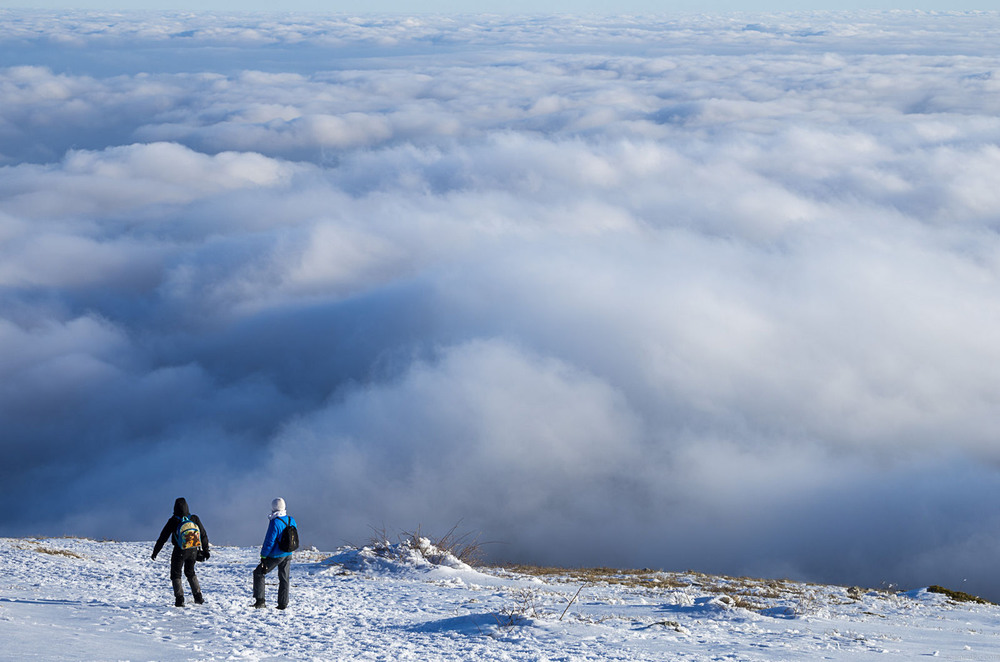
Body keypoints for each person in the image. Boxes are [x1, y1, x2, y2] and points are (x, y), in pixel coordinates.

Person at [151, 497, 210, 607]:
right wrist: (206, 550)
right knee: (190, 572)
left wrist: (155, 552)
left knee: (176, 574)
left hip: (179, 551)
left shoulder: (173, 520)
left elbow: (163, 537)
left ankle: (179, 599)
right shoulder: (194, 518)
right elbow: (203, 534)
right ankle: (198, 597)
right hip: (193, 550)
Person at [253, 497, 297, 610]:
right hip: (288, 553)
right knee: (284, 578)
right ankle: (283, 604)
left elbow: (269, 541)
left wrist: (263, 555)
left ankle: (260, 601)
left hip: (276, 555)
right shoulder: (291, 519)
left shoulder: (275, 522)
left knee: (259, 573)